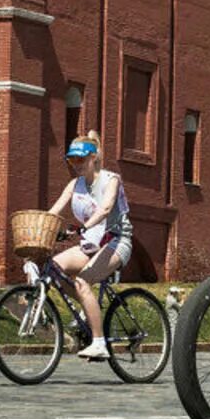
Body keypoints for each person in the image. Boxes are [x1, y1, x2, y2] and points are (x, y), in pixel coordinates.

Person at [42, 133, 132, 361]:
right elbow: (53, 212)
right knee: (52, 268)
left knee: (82, 281)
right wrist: (38, 229)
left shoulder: (111, 179)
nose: (77, 165)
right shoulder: (74, 185)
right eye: (72, 160)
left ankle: (99, 342)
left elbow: (105, 208)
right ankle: (87, 304)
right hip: (91, 244)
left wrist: (83, 228)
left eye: (81, 159)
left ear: (94, 157)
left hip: (117, 240)